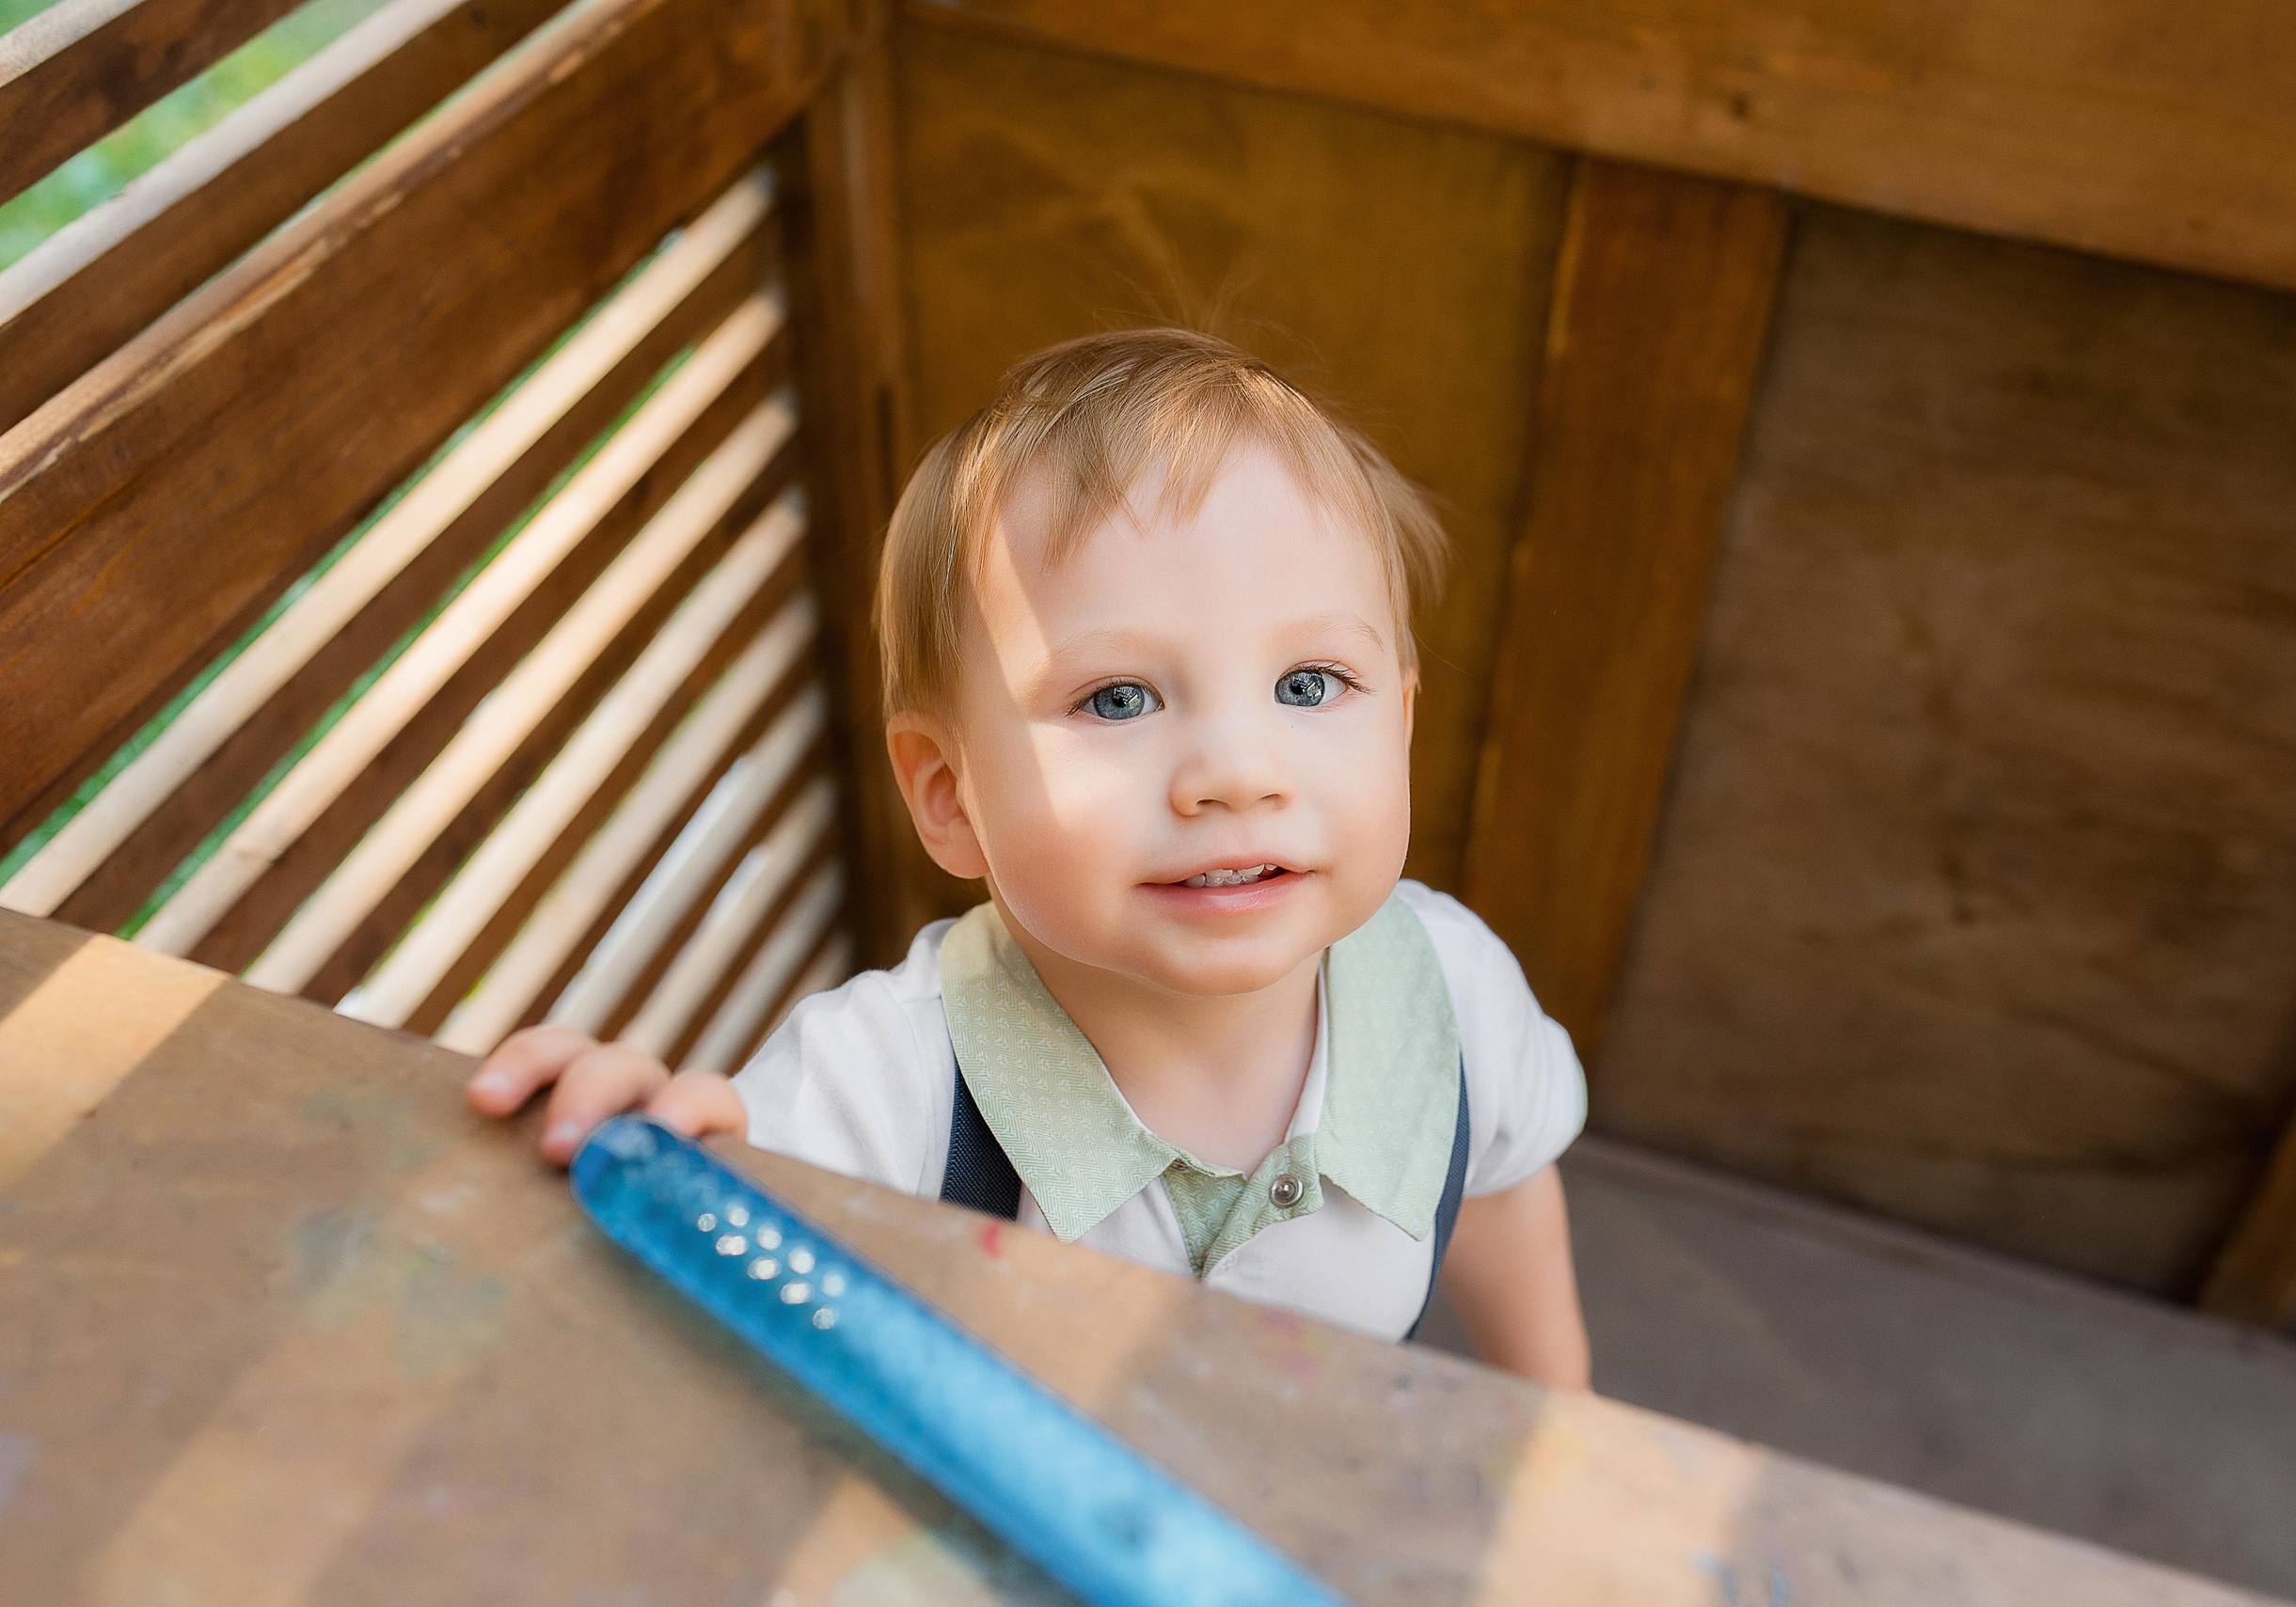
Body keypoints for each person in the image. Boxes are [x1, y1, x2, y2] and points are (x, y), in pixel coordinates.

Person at [467, 329, 1592, 1389]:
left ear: (1401, 722)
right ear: (949, 795)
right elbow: (730, 1200)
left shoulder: (1451, 995)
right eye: (1118, 698)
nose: (1237, 772)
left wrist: (1567, 1435)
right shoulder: (890, 1085)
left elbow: (1494, 1189)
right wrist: (645, 1143)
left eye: (1308, 684)